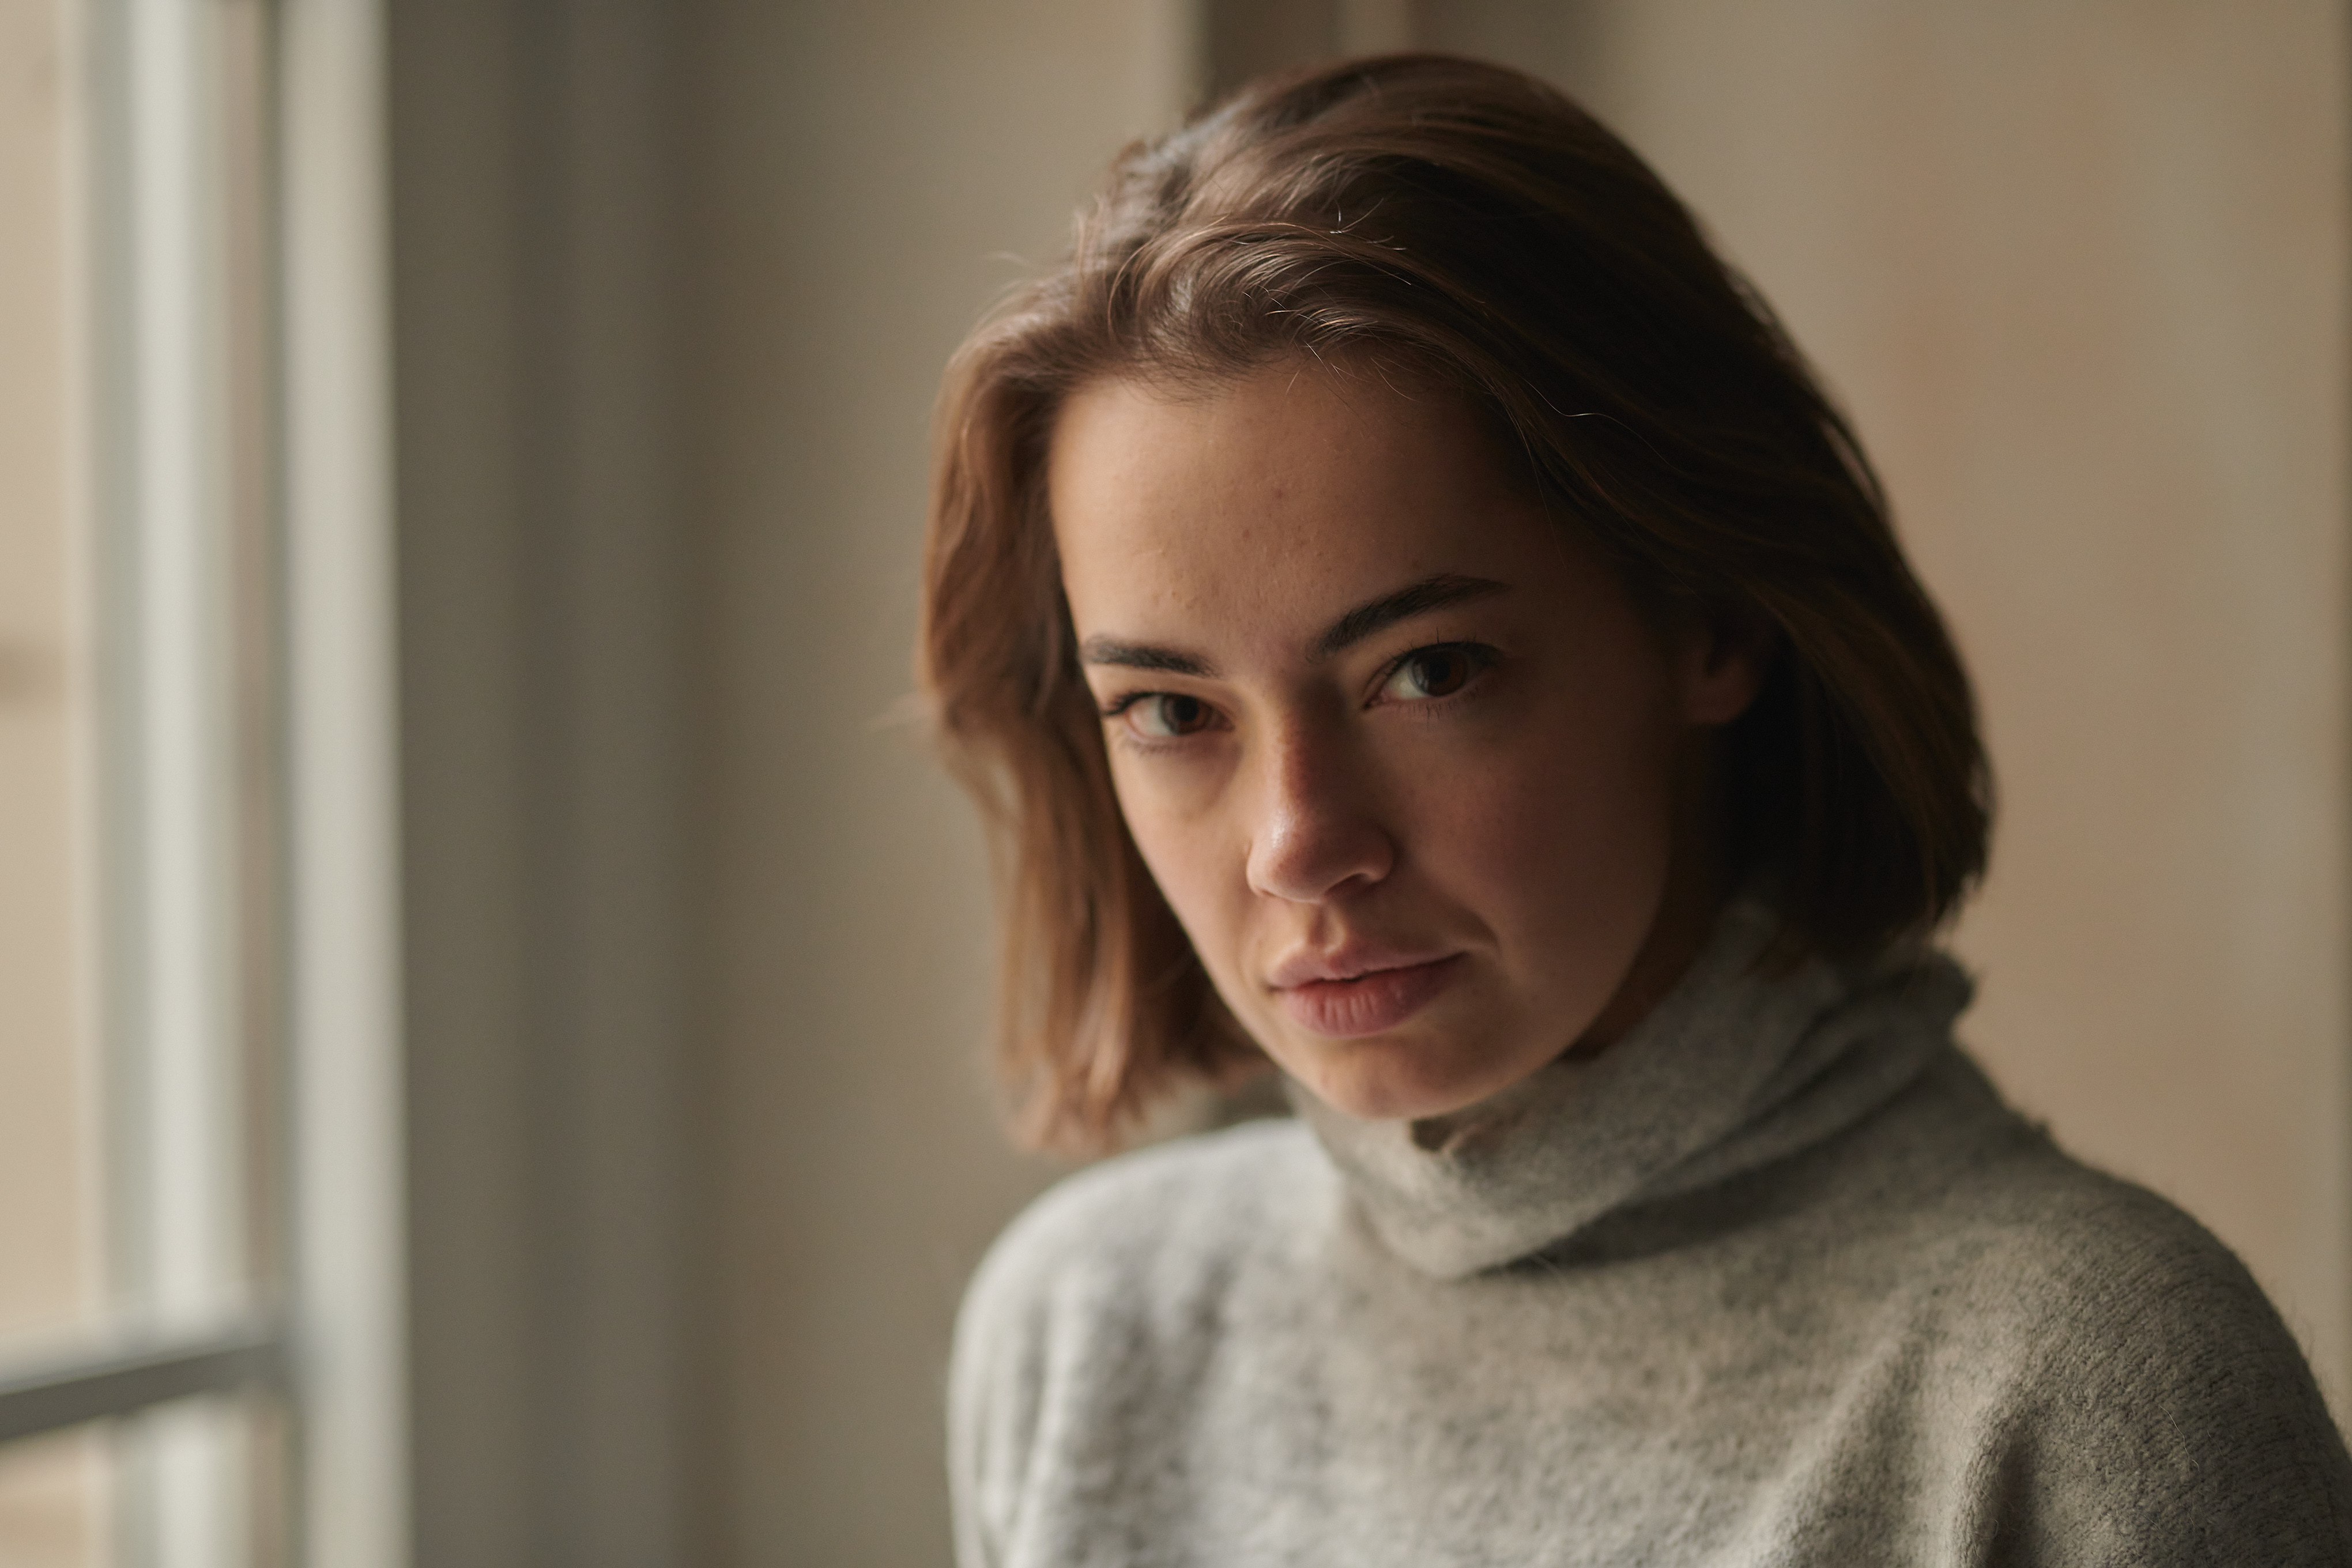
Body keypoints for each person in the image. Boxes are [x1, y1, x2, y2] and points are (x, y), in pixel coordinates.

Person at [918, 53, 2352, 1566]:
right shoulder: (1086, 1340)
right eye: (1172, 712)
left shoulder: (2085, 1390)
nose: (1297, 843)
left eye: (1430, 670)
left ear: (1710, 621)